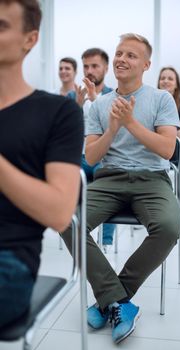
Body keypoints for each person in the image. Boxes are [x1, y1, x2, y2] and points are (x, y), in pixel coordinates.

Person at [63, 33, 180, 344]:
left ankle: (112, 298)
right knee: (67, 219)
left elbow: (168, 150)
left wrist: (130, 123)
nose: (121, 59)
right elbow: (91, 156)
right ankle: (118, 302)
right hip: (110, 179)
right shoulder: (99, 105)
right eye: (119, 53)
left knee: (169, 227)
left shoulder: (160, 99)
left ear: (145, 64)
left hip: (152, 179)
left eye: (130, 55)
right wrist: (113, 127)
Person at [0, 0, 84, 329]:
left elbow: (59, 213)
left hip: (9, 259)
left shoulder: (58, 113)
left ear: (30, 40)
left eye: (2, 26)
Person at [78, 48, 116, 249]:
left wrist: (94, 100)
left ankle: (106, 242)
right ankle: (74, 232)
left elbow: (115, 130)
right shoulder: (74, 95)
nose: (89, 70)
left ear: (106, 69)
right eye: (86, 66)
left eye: (95, 66)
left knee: (112, 185)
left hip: (105, 159)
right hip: (79, 158)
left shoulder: (114, 96)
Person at [157, 66, 180, 140]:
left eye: (170, 79)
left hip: (173, 148)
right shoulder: (152, 103)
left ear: (176, 85)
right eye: (162, 78)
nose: (165, 81)